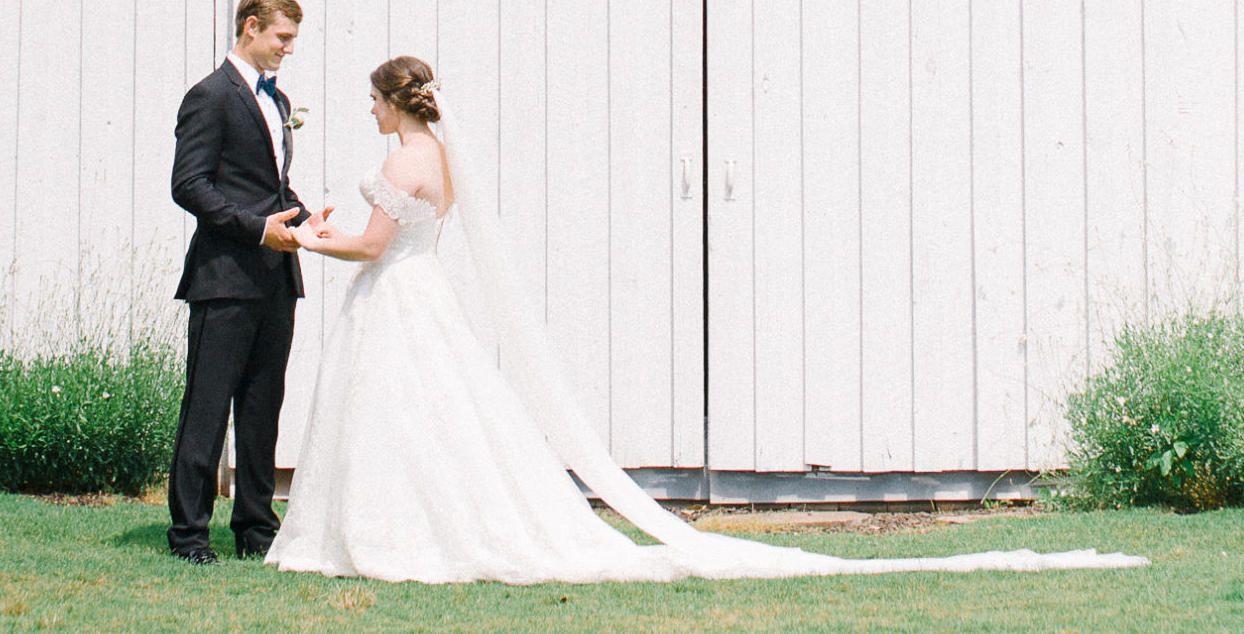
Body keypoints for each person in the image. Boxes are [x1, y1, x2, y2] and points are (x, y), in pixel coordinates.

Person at [266, 54, 1147, 586]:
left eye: (374, 99)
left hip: (396, 300)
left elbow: (377, 244)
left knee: (396, 418)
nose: (369, 111)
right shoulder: (436, 161)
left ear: (396, 100)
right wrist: (341, 231)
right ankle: (405, 523)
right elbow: (398, 236)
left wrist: (305, 241)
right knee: (425, 422)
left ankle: (388, 532)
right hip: (422, 295)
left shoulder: (403, 160)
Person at [165, 0, 324, 565]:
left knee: (262, 408)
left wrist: (309, 224)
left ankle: (256, 526)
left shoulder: (276, 102)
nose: (289, 49)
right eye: (283, 37)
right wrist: (259, 229)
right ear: (251, 27)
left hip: (277, 278)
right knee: (207, 409)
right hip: (225, 277)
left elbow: (271, 187)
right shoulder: (209, 95)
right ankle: (189, 535)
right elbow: (190, 186)